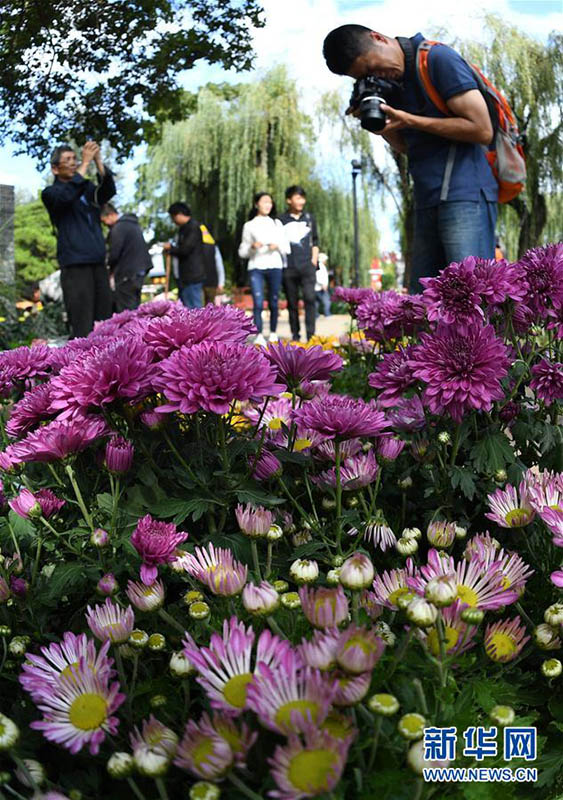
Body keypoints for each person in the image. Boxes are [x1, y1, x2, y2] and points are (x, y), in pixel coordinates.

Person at [323, 26, 498, 293]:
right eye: (364, 77)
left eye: (372, 67)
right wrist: (385, 129)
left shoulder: (437, 60)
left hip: (466, 194)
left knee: (471, 295)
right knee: (422, 304)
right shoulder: (394, 85)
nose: (375, 76)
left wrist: (409, 119)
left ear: (378, 38)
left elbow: (482, 129)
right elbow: (408, 147)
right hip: (427, 197)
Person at [42, 141, 115, 338]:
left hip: (98, 262)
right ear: (55, 169)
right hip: (75, 265)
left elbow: (107, 192)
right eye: (68, 160)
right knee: (82, 323)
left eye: (75, 158)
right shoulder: (51, 194)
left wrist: (98, 161)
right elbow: (66, 198)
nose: (74, 163)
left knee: (106, 322)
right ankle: (81, 367)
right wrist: (84, 164)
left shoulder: (86, 188)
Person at [238, 192, 289, 346]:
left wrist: (277, 246)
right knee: (258, 302)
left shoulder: (277, 224)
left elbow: (286, 247)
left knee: (274, 301)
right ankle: (258, 334)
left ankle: (273, 333)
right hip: (256, 266)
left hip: (275, 265)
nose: (268, 205)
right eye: (264, 201)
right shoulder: (249, 225)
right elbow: (242, 251)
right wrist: (252, 247)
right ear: (256, 204)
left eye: (270, 202)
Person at [279, 186, 319, 341]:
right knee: (292, 303)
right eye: (297, 198)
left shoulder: (309, 218)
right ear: (289, 200)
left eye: (303, 198)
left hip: (307, 265)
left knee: (310, 299)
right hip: (288, 266)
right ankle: (295, 335)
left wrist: (314, 260)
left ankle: (311, 335)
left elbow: (315, 240)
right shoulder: (281, 220)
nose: (301, 201)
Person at [100, 203, 152, 311]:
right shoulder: (132, 224)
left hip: (127, 274)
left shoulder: (118, 228)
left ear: (109, 215)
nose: (105, 224)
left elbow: (114, 254)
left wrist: (108, 265)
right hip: (139, 271)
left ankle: (130, 328)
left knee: (126, 311)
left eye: (103, 221)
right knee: (135, 307)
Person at [162, 202, 205, 309]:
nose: (173, 221)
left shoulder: (193, 227)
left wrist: (170, 249)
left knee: (194, 308)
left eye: (173, 217)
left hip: (193, 275)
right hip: (184, 276)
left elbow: (186, 249)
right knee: (185, 308)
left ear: (179, 214)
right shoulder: (183, 229)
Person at [200, 222, 225, 305]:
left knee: (198, 307)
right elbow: (219, 266)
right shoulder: (213, 247)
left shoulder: (195, 248)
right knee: (210, 307)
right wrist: (221, 283)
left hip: (198, 281)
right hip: (212, 281)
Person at [315, 252, 331, 317]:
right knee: (327, 301)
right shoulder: (320, 266)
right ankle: (327, 314)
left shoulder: (321, 266)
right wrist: (323, 285)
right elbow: (318, 276)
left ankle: (316, 315)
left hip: (318, 287)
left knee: (316, 302)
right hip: (320, 287)